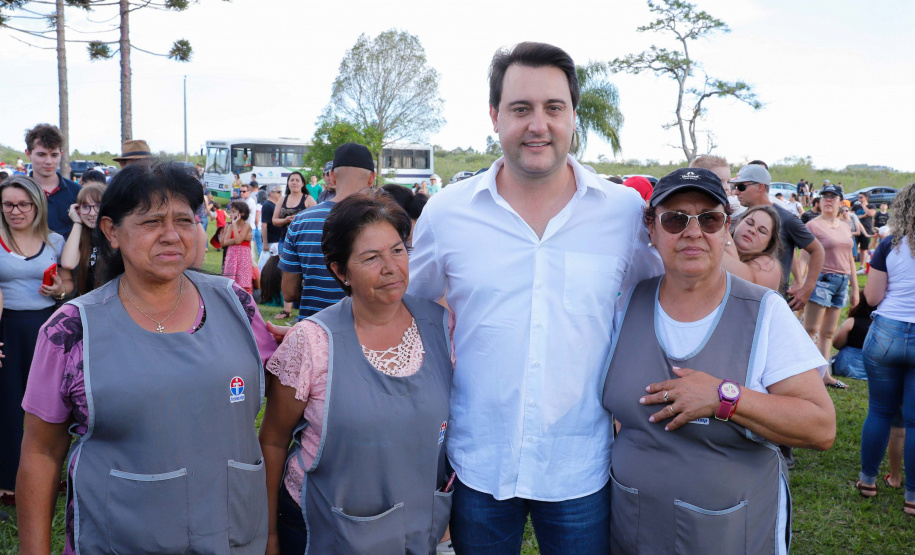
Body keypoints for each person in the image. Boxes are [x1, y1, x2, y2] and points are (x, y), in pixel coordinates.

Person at [408, 42, 662, 554]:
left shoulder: (622, 213)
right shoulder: (448, 212)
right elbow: (413, 304)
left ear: (573, 116)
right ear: (494, 116)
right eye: (521, 108)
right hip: (479, 458)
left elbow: (654, 298)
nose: (538, 124)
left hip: (581, 462)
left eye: (553, 108)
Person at [17, 161, 282, 553]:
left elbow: (286, 381)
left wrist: (309, 341)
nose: (172, 235)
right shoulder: (73, 330)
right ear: (111, 231)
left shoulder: (236, 303)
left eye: (184, 220)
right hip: (120, 537)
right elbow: (41, 451)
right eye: (152, 222)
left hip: (231, 532)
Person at [602, 167, 835, 554]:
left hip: (729, 534)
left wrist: (725, 397)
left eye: (708, 219)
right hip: (634, 528)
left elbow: (820, 426)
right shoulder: (626, 303)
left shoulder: (764, 312)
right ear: (651, 229)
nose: (693, 232)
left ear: (725, 228)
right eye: (675, 219)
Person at [260, 194, 453, 554]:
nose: (392, 267)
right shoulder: (313, 343)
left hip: (414, 531)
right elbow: (272, 441)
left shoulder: (440, 326)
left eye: (397, 250)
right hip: (322, 529)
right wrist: (269, 535)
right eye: (371, 258)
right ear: (339, 271)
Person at [0, 175, 74, 505]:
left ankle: (46, 474)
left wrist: (59, 290)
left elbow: (68, 284)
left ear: (37, 205)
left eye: (22, 204)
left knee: (45, 406)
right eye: (7, 205)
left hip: (45, 328)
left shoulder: (54, 241)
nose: (15, 211)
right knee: (8, 403)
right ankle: (7, 481)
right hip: (6, 327)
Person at [858, 183, 915, 514]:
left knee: (879, 410)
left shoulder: (889, 245)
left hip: (887, 332)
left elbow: (872, 298)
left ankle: (868, 481)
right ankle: (911, 496)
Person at [280, 142, 376, 321]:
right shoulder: (384, 221)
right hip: (368, 333)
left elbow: (289, 293)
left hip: (314, 330)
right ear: (372, 178)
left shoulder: (302, 220)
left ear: (331, 176)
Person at [733, 163, 825, 311]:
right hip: (738, 299)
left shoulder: (787, 219)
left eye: (741, 186)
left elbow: (817, 250)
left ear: (760, 187)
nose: (736, 192)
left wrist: (807, 288)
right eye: (735, 187)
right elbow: (788, 249)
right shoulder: (741, 219)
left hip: (769, 305)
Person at [802, 183, 859, 388]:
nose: (828, 200)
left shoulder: (845, 226)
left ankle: (824, 375)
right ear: (819, 200)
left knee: (827, 332)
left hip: (842, 282)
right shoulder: (812, 226)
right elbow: (804, 257)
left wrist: (855, 287)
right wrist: (801, 283)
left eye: (832, 197)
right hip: (821, 280)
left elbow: (851, 259)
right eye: (824, 196)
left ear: (840, 201)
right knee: (810, 330)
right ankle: (804, 374)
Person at [24, 123, 81, 236]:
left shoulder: (78, 193)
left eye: (54, 155)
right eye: (41, 155)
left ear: (61, 154)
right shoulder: (17, 193)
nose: (49, 161)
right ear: (28, 154)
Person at [272, 171, 310, 320]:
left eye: (297, 180)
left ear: (302, 183)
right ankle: (286, 310)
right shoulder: (283, 199)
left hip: (304, 242)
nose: (294, 182)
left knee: (304, 275)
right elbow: (274, 220)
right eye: (291, 180)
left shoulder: (308, 199)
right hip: (285, 241)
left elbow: (318, 218)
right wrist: (286, 220)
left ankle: (303, 309)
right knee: (287, 274)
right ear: (288, 183)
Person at [721, 205, 783, 290]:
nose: (752, 230)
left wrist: (718, 231)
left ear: (769, 243)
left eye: (762, 231)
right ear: (738, 222)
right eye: (749, 223)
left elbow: (740, 281)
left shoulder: (770, 265)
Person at [60, 184, 105, 295]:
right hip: (85, 302)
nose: (92, 213)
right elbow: (68, 263)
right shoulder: (78, 235)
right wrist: (77, 222)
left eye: (98, 206)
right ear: (77, 209)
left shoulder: (116, 234)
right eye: (86, 207)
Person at [832, 291, 876, 381]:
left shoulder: (852, 321)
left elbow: (837, 344)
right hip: (872, 367)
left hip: (848, 364)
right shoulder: (881, 324)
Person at [222, 199, 254, 293]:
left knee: (242, 280)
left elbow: (239, 240)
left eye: (233, 212)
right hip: (232, 255)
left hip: (243, 257)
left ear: (242, 213)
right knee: (230, 280)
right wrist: (243, 238)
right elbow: (225, 242)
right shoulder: (230, 226)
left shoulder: (246, 226)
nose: (230, 214)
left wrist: (235, 225)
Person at [259, 184, 284, 270]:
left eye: (281, 192)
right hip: (271, 241)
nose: (280, 194)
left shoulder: (275, 205)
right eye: (278, 192)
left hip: (277, 239)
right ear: (271, 193)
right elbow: (264, 225)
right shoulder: (267, 205)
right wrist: (265, 243)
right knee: (268, 264)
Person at [853, 190, 877, 263]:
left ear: (866, 198)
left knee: (864, 249)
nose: (859, 199)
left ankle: (861, 266)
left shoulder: (871, 206)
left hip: (867, 229)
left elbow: (871, 214)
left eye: (861, 197)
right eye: (858, 197)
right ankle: (852, 264)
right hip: (856, 229)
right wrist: (863, 215)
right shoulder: (855, 206)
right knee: (854, 248)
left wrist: (864, 207)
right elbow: (852, 216)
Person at [239, 183, 262, 261]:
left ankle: (252, 267)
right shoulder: (244, 201)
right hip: (245, 227)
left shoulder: (250, 202)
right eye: (241, 191)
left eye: (244, 191)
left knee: (249, 249)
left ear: (249, 192)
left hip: (249, 228)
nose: (242, 193)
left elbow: (242, 214)